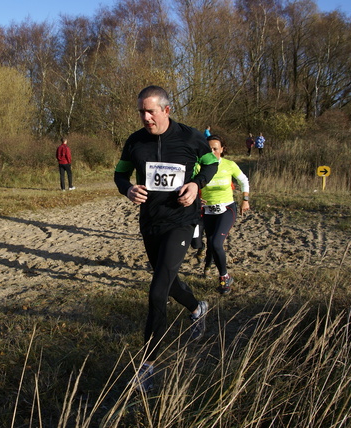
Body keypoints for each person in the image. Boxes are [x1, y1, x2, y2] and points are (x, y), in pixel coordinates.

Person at [114, 85, 218, 393]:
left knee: (157, 291)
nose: (145, 117)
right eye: (141, 112)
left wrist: (197, 185)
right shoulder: (135, 141)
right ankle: (198, 307)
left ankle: (147, 366)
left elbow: (211, 163)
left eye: (151, 111)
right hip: (151, 222)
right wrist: (127, 188)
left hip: (182, 221)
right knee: (167, 280)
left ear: (166, 110)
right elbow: (120, 174)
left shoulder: (190, 136)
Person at [200, 134, 250, 295]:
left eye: (215, 148)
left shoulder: (229, 165)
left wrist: (245, 200)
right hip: (207, 210)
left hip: (227, 209)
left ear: (222, 149)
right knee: (210, 243)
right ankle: (207, 266)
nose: (212, 151)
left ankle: (224, 276)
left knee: (216, 243)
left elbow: (243, 180)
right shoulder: (199, 165)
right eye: (209, 149)